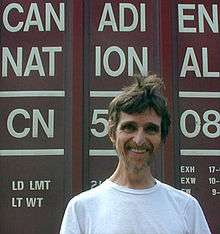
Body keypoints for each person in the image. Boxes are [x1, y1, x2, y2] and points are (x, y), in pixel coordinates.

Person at [60, 74, 211, 234]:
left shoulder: (186, 208)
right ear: (112, 133)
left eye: (150, 129)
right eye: (129, 127)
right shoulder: (82, 209)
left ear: (161, 137)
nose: (139, 140)